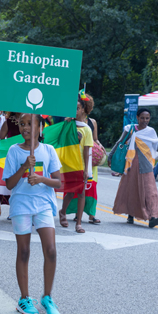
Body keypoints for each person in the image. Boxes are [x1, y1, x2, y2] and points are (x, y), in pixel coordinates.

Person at [2, 113, 62, 314]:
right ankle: (24, 298)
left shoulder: (48, 150)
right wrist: (24, 167)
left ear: (40, 128)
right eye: (22, 124)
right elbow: (9, 184)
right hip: (21, 205)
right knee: (24, 251)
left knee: (51, 250)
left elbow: (59, 182)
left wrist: (42, 179)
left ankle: (47, 297)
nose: (25, 127)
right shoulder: (13, 151)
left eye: (30, 124)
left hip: (44, 205)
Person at [109, 108, 158, 227]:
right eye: (142, 118)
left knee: (151, 191)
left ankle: (154, 216)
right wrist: (110, 156)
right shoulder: (130, 129)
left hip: (146, 165)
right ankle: (130, 215)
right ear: (137, 118)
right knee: (131, 189)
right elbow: (120, 142)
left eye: (147, 118)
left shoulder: (151, 131)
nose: (145, 120)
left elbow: (157, 148)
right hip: (131, 164)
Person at [65, 93, 101, 224]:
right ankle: (75, 213)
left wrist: (100, 148)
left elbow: (95, 139)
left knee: (90, 187)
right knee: (75, 188)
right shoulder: (69, 121)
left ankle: (91, 214)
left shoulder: (92, 123)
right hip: (74, 160)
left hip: (90, 160)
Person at [59, 97, 93, 233]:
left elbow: (86, 151)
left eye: (77, 108)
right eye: (73, 108)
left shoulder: (87, 130)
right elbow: (60, 141)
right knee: (69, 191)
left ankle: (78, 223)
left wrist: (86, 169)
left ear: (83, 110)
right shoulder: (67, 124)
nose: (75, 111)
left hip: (79, 165)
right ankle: (62, 212)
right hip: (66, 164)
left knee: (80, 193)